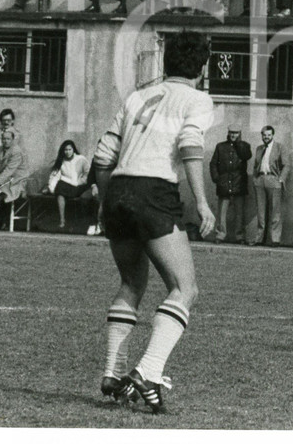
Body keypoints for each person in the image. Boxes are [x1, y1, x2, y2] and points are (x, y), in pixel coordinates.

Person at [91, 31, 216, 413]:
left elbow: (102, 158)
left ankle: (113, 372)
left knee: (132, 282)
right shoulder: (197, 99)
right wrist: (202, 202)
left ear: (167, 62)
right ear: (203, 66)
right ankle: (147, 371)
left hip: (118, 189)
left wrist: (104, 203)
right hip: (153, 191)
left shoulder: (136, 96)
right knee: (185, 289)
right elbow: (190, 146)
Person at [209, 126, 253, 244]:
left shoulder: (245, 146)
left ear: (240, 133)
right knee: (222, 211)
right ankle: (220, 235)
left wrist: (238, 143)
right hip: (224, 183)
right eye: (231, 133)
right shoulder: (220, 146)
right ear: (228, 133)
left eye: (236, 133)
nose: (233, 135)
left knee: (239, 212)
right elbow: (213, 164)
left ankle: (240, 236)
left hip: (239, 183)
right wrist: (217, 178)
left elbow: (246, 156)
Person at [46, 140, 97, 232]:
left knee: (63, 188)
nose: (68, 152)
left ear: (73, 150)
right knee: (59, 189)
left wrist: (79, 182)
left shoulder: (81, 159)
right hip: (67, 186)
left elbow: (88, 173)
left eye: (70, 149)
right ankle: (62, 221)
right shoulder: (61, 160)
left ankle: (82, 224)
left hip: (80, 186)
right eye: (66, 150)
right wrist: (51, 188)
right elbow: (55, 175)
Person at [253, 125, 288, 247]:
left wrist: (281, 179)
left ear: (272, 135)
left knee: (275, 211)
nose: (266, 137)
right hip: (260, 179)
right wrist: (255, 179)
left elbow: (286, 165)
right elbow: (255, 165)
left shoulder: (279, 147)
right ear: (261, 135)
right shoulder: (259, 148)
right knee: (261, 212)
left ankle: (275, 239)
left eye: (269, 135)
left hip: (274, 179)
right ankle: (259, 238)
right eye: (264, 135)